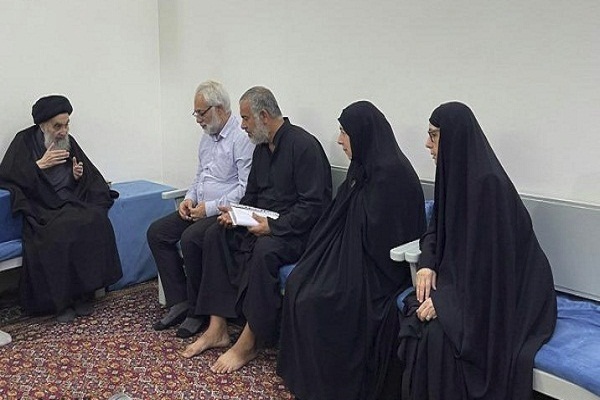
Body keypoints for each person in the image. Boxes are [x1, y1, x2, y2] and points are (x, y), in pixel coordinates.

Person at [397, 102, 557, 400]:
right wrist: (428, 264)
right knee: (418, 320)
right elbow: (435, 229)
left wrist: (445, 303)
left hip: (513, 293)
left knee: (439, 338)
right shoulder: (453, 178)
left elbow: (491, 268)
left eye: (433, 136)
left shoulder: (489, 188)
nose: (427, 144)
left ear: (454, 138)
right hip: (470, 285)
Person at [277, 101, 426, 400]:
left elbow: (386, 239)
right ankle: (308, 378)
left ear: (363, 134)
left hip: (379, 271)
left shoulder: (393, 176)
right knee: (298, 283)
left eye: (345, 132)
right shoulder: (363, 167)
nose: (339, 140)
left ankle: (331, 385)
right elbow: (338, 219)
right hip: (349, 259)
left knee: (319, 300)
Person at [180, 86, 332, 374]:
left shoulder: (304, 146)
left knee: (265, 250)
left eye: (246, 118)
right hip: (260, 222)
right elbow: (251, 196)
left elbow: (314, 207)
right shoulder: (262, 149)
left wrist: (273, 226)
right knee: (215, 234)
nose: (243, 125)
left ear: (264, 116)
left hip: (295, 233)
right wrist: (236, 215)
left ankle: (250, 341)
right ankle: (217, 327)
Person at [0, 95, 122, 322]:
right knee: (59, 233)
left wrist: (78, 177)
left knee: (95, 220)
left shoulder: (68, 141)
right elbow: (7, 176)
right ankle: (61, 302)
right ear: (42, 125)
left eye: (66, 125)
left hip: (69, 201)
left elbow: (90, 177)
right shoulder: (24, 141)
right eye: (57, 126)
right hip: (42, 207)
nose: (63, 131)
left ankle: (84, 294)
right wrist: (38, 166)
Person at [147, 80, 254, 338]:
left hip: (225, 212)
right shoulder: (206, 137)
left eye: (201, 113)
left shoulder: (241, 139)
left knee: (191, 238)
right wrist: (189, 198)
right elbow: (200, 177)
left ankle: (197, 311)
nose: (197, 119)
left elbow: (245, 189)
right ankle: (180, 300)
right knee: (157, 233)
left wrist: (210, 208)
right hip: (199, 207)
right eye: (195, 113)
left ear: (220, 109)